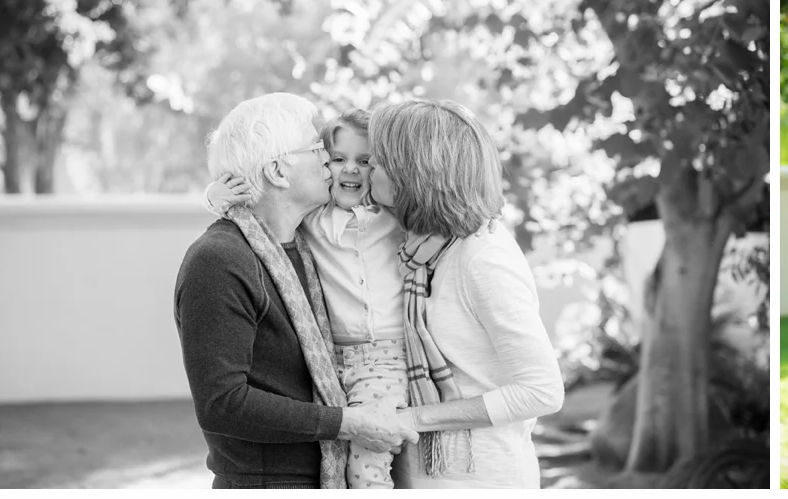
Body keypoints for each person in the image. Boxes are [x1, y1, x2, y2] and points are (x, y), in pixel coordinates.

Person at [174, 93, 418, 489]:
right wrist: (346, 423)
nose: (327, 159)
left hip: (323, 476)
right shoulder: (219, 260)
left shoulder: (303, 246)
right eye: (316, 149)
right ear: (278, 171)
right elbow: (221, 404)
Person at [368, 99, 564, 488]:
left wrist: (414, 418)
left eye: (378, 159)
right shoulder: (420, 249)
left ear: (413, 170)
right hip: (420, 472)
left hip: (481, 479)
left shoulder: (482, 256)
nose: (368, 167)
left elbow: (542, 391)